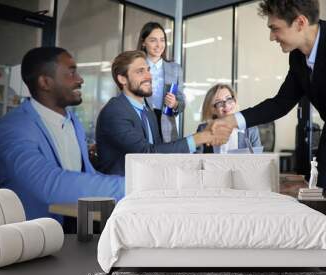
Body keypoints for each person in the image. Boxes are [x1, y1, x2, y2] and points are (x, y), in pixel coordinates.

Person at [216, 0, 326, 233]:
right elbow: (281, 103)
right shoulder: (298, 57)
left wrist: (312, 185)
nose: (272, 37)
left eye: (274, 28)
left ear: (300, 22)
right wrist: (233, 120)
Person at [0, 47, 125, 221]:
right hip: (37, 237)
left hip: (79, 223)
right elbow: (49, 184)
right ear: (45, 83)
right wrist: (132, 186)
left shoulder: (72, 122)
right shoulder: (13, 127)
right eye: (71, 73)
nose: (80, 79)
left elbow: (86, 174)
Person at [95, 50, 231, 176]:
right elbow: (146, 153)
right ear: (122, 79)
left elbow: (160, 151)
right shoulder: (115, 111)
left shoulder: (148, 112)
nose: (149, 76)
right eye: (140, 71)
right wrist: (199, 138)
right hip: (121, 192)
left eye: (148, 70)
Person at [137, 22, 185, 142]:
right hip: (142, 123)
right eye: (153, 40)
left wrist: (174, 104)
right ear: (143, 42)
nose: (159, 45)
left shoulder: (175, 69)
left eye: (162, 40)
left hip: (167, 127)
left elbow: (182, 102)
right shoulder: (136, 67)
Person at [197, 84, 262, 153]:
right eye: (219, 102)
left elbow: (258, 159)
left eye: (229, 99)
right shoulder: (204, 129)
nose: (226, 105)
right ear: (213, 109)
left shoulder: (250, 129)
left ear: (235, 101)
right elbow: (196, 159)